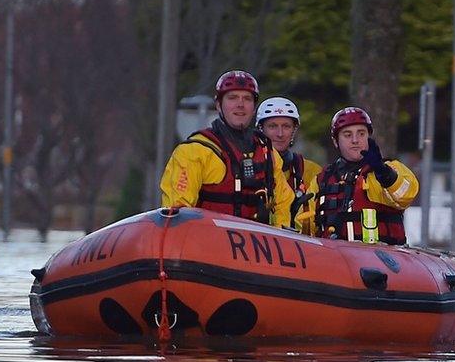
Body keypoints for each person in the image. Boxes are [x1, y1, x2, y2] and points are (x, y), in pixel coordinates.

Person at [159, 70, 283, 223]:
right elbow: (177, 209)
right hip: (207, 242)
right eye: (232, 98)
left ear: (254, 108)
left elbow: (283, 206)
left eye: (247, 99)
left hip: (256, 244)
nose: (240, 105)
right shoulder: (194, 151)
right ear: (218, 105)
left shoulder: (268, 154)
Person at [304, 105, 419, 245]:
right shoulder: (322, 179)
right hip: (334, 261)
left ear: (369, 137)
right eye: (347, 135)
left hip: (381, 260)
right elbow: (304, 224)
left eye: (361, 133)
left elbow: (407, 194)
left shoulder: (388, 169)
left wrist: (383, 173)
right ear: (335, 141)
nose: (355, 140)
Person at [256, 95, 320, 233]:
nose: (280, 133)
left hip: (301, 247)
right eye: (272, 126)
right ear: (261, 129)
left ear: (294, 130)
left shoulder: (310, 171)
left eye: (286, 126)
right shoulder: (251, 167)